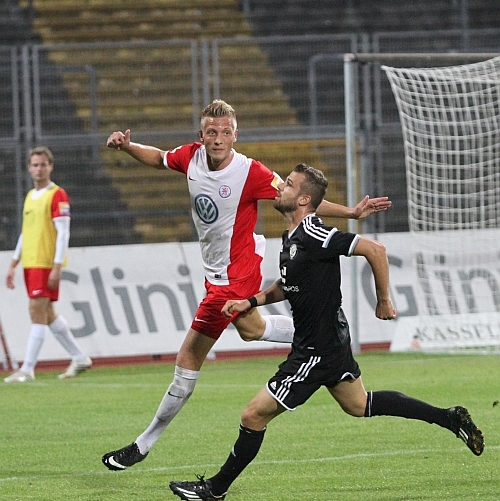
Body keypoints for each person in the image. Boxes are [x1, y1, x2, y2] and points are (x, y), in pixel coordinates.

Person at [102, 99, 391, 470]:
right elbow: (159, 158)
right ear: (201, 135)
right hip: (216, 272)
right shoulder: (190, 157)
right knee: (251, 330)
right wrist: (128, 147)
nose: (218, 139)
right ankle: (324, 336)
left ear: (235, 136)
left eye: (225, 132)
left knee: (188, 358)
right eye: (212, 132)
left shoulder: (250, 172)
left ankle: (143, 444)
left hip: (235, 275)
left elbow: (300, 199)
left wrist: (350, 212)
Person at [169, 163, 484, 501]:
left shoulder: (314, 234)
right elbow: (288, 284)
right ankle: (448, 417)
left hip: (315, 350)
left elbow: (375, 250)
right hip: (328, 340)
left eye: (288, 185)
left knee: (253, 415)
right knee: (359, 404)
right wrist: (250, 301)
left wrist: (384, 300)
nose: (280, 188)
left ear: (304, 199)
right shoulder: (292, 237)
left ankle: (215, 488)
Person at [4, 146, 92, 383]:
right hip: (31, 262)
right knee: (48, 312)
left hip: (45, 263)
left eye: (43, 164)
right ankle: (80, 357)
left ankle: (27, 369)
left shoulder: (57, 195)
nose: (39, 169)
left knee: (36, 310)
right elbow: (26, 232)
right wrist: (14, 263)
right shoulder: (30, 197)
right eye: (35, 165)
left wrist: (57, 265)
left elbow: (63, 233)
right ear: (29, 168)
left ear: (51, 167)